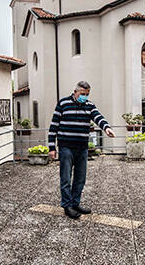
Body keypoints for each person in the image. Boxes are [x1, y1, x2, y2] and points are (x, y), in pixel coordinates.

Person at [48, 81, 115, 219]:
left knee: (80, 178)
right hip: (66, 147)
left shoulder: (89, 106)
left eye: (87, 94)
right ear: (75, 92)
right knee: (66, 178)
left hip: (82, 148)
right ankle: (67, 206)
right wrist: (51, 147)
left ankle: (75, 203)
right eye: (82, 94)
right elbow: (53, 126)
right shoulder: (63, 104)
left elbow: (98, 117)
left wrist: (106, 128)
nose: (85, 97)